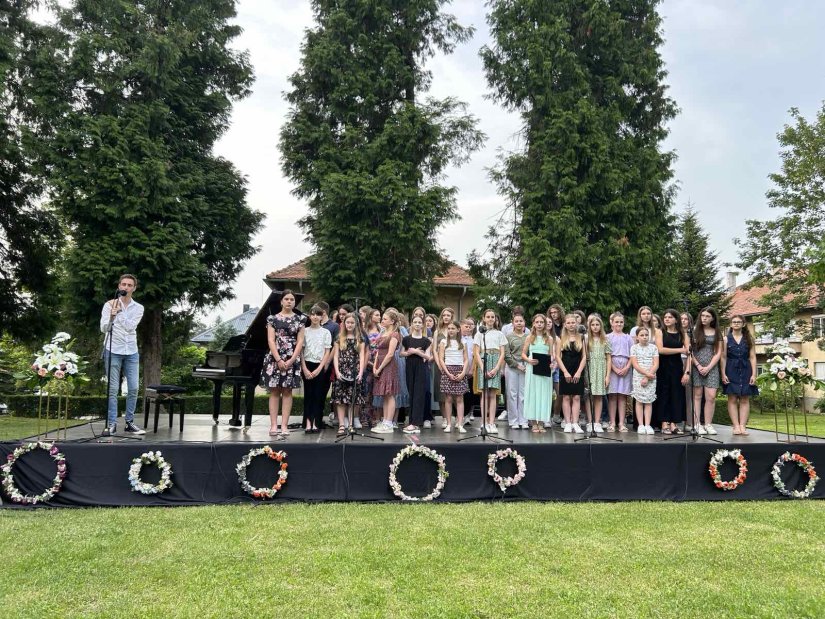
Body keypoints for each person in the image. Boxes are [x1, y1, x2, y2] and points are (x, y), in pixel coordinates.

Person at [100, 273, 145, 435]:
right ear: (119, 286)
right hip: (113, 349)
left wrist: (119, 313)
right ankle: (111, 423)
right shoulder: (108, 305)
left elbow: (130, 327)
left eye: (129, 285)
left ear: (134, 288)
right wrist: (111, 316)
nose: (125, 287)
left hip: (131, 351)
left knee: (133, 387)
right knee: (112, 389)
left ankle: (129, 422)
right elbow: (103, 328)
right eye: (123, 284)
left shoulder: (138, 308)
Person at [261, 289, 305, 437]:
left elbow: (300, 341)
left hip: (292, 358)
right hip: (275, 358)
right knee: (274, 391)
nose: (289, 301)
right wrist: (279, 359)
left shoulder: (300, 320)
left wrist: (292, 359)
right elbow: (270, 340)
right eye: (286, 299)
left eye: (292, 299)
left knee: (287, 391)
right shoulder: (272, 319)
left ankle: (284, 425)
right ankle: (274, 425)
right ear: (281, 301)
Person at [721, 314, 759, 435]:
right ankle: (735, 426)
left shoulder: (749, 339)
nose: (736, 323)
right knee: (732, 397)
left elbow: (753, 357)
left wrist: (754, 374)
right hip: (731, 369)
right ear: (731, 324)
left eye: (738, 322)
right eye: (734, 322)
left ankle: (743, 426)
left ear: (743, 324)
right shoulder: (725, 339)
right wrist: (723, 373)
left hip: (746, 369)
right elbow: (723, 357)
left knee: (744, 398)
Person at [331, 314, 367, 437]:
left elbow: (362, 357)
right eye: (348, 323)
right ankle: (342, 424)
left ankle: (350, 424)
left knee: (352, 399)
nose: (350, 325)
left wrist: (361, 372)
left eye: (352, 323)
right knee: (340, 400)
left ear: (356, 324)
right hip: (341, 371)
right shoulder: (338, 338)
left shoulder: (360, 339)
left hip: (354, 371)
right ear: (344, 324)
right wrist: (337, 372)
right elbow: (336, 356)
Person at [474, 309, 507, 434]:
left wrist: (497, 368)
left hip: (495, 361)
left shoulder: (499, 334)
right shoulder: (479, 334)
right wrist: (483, 368)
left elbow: (502, 352)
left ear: (495, 319)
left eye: (492, 317)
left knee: (493, 394)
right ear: (484, 318)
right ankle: (484, 422)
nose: (490, 319)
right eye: (488, 317)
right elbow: (477, 352)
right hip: (484, 361)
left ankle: (492, 422)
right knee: (484, 394)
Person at [655, 309, 688, 434]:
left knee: (676, 394)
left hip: (677, 367)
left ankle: (674, 423)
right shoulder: (660, 332)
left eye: (670, 317)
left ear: (676, 319)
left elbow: (689, 353)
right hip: (663, 366)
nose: (667, 319)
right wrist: (680, 350)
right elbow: (661, 350)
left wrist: (687, 372)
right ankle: (664, 422)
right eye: (665, 317)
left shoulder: (682, 333)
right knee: (664, 393)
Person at [301, 305, 332, 433]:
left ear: (321, 316)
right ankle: (308, 422)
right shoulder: (304, 331)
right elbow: (301, 351)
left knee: (318, 394)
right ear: (309, 316)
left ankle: (316, 422)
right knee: (308, 394)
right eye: (312, 314)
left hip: (320, 366)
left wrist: (320, 368)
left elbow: (327, 352)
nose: (315, 317)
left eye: (317, 314)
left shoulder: (326, 332)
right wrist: (304, 368)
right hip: (307, 364)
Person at [691, 307, 722, 435]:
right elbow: (690, 352)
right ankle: (697, 424)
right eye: (702, 315)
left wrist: (709, 367)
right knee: (697, 396)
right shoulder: (694, 332)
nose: (704, 318)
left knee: (711, 397)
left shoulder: (717, 332)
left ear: (713, 318)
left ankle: (708, 424)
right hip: (696, 366)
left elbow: (718, 352)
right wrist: (698, 366)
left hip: (712, 367)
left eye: (707, 316)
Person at [371, 310, 402, 433]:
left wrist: (379, 368)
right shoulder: (383, 333)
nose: (382, 320)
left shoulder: (395, 335)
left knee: (390, 394)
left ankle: (389, 423)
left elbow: (390, 354)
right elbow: (378, 351)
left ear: (392, 321)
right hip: (380, 364)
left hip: (388, 366)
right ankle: (385, 421)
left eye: (384, 319)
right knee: (384, 395)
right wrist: (374, 366)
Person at [522, 314, 554, 433]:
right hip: (532, 369)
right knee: (533, 393)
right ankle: (533, 423)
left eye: (542, 322)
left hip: (545, 370)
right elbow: (523, 354)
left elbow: (550, 355)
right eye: (537, 322)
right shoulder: (529, 337)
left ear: (545, 324)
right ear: (534, 324)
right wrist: (528, 360)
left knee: (543, 394)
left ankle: (541, 422)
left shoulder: (549, 339)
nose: (539, 324)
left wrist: (551, 364)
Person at [401, 315, 432, 434]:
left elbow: (428, 357)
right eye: (415, 322)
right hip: (409, 367)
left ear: (423, 325)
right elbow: (401, 353)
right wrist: (411, 352)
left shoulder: (426, 341)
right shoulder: (406, 339)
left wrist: (416, 352)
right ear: (412, 324)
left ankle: (416, 423)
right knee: (412, 393)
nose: (418, 324)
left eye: (420, 322)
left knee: (419, 394)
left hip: (421, 368)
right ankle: (411, 422)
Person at [556, 313, 586, 433]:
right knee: (566, 397)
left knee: (577, 397)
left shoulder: (582, 338)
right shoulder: (561, 339)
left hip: (577, 369)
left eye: (573, 322)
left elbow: (584, 357)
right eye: (568, 323)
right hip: (565, 369)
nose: (571, 325)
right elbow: (558, 357)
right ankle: (568, 422)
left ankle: (575, 422)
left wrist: (579, 372)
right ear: (565, 325)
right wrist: (565, 372)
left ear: (577, 323)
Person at [437, 321, 469, 433]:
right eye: (449, 328)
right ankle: (449, 424)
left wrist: (463, 372)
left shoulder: (463, 342)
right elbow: (441, 358)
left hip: (459, 369)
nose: (450, 330)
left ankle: (460, 424)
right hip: (448, 369)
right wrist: (447, 373)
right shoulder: (443, 342)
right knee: (448, 398)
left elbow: (466, 359)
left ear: (458, 330)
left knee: (460, 398)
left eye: (453, 328)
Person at [607, 312, 633, 432]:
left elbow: (632, 355)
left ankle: (622, 423)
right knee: (612, 396)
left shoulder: (628, 338)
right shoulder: (608, 337)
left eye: (621, 322)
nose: (619, 324)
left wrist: (627, 367)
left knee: (622, 396)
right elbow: (607, 356)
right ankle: (612, 422)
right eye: (616, 321)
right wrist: (614, 368)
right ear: (611, 322)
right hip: (612, 366)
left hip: (626, 366)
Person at [585, 314, 611, 433]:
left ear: (601, 326)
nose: (595, 327)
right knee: (589, 396)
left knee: (599, 396)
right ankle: (590, 422)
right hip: (589, 368)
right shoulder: (585, 339)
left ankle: (597, 421)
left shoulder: (605, 339)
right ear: (589, 326)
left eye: (597, 325)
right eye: (593, 325)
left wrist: (607, 375)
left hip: (601, 368)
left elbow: (609, 358)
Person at [631, 326, 659, 435]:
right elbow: (635, 364)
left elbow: (656, 363)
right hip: (638, 376)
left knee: (648, 401)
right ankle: (641, 425)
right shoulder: (634, 348)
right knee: (639, 400)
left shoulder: (654, 348)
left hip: (651, 376)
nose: (644, 337)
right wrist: (645, 375)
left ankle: (648, 424)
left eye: (646, 335)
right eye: (642, 335)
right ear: (637, 337)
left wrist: (648, 376)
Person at [504, 313, 528, 429]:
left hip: (526, 367)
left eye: (521, 321)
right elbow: (507, 355)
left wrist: (527, 365)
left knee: (523, 395)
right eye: (516, 321)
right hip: (512, 367)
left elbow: (530, 352)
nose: (519, 323)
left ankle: (523, 420)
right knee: (512, 394)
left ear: (524, 323)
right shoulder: (508, 336)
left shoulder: (528, 336)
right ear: (513, 323)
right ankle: (513, 420)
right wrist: (517, 365)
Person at [460, 317, 478, 424]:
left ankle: (467, 415)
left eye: (469, 326)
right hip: (459, 370)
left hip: (471, 371)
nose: (468, 328)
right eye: (465, 326)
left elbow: (475, 356)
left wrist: (471, 369)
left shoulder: (474, 341)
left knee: (469, 394)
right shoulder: (459, 340)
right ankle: (459, 416)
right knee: (460, 394)